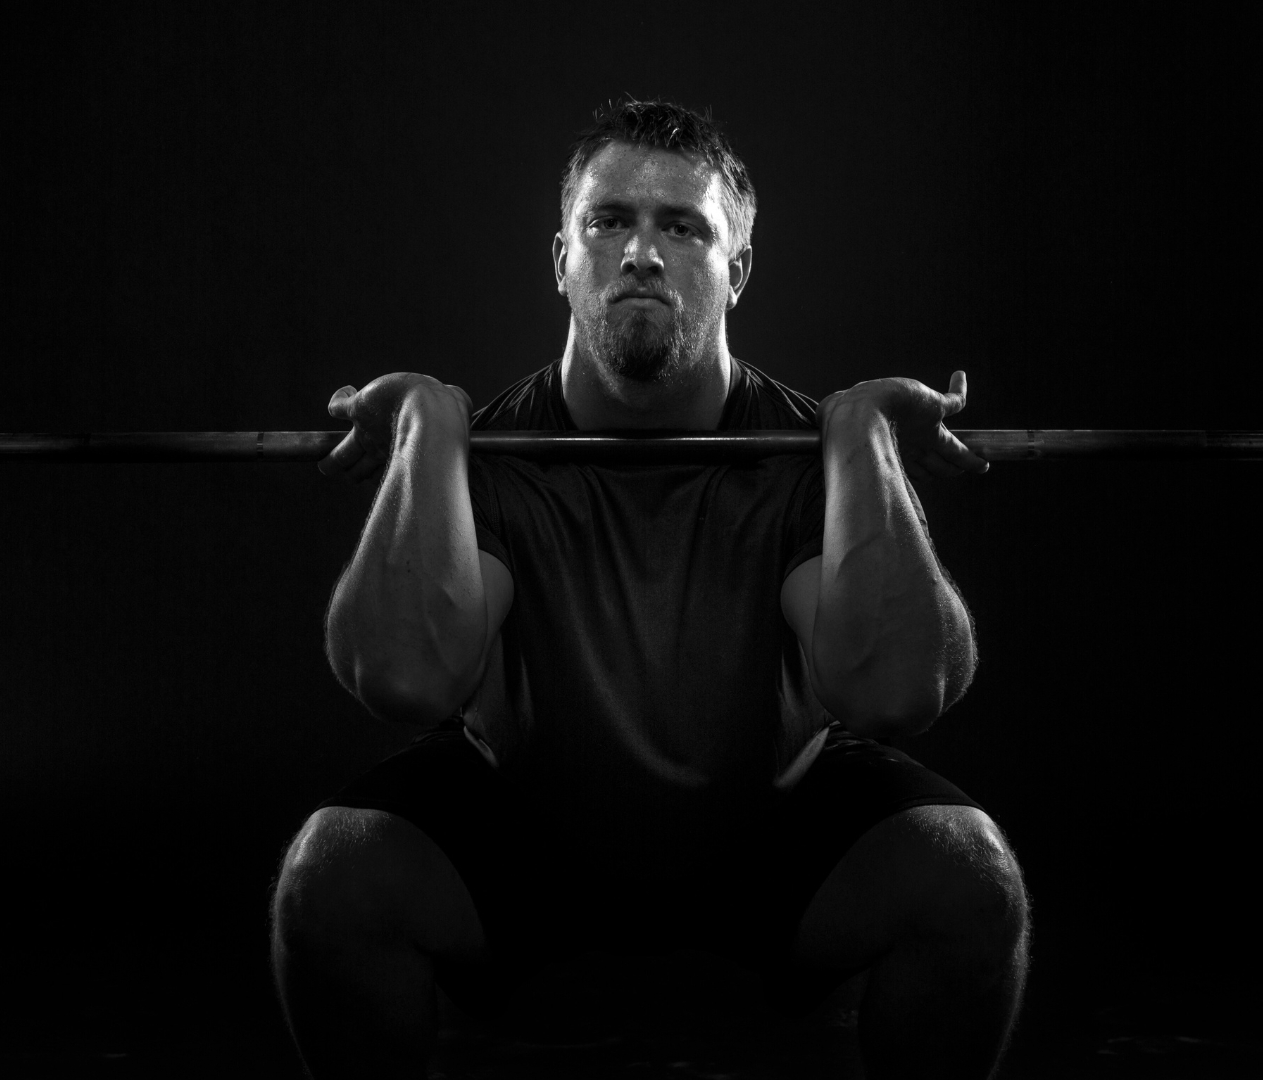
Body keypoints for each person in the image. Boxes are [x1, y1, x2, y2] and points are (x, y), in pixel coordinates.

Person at [270, 99, 1030, 1079]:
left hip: (764, 844)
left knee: (971, 878)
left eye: (682, 225)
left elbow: (895, 694)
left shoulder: (804, 451)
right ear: (562, 259)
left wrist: (865, 444)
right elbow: (404, 681)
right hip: (532, 847)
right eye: (609, 221)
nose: (640, 251)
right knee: (330, 878)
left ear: (736, 269)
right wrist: (424, 428)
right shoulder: (494, 450)